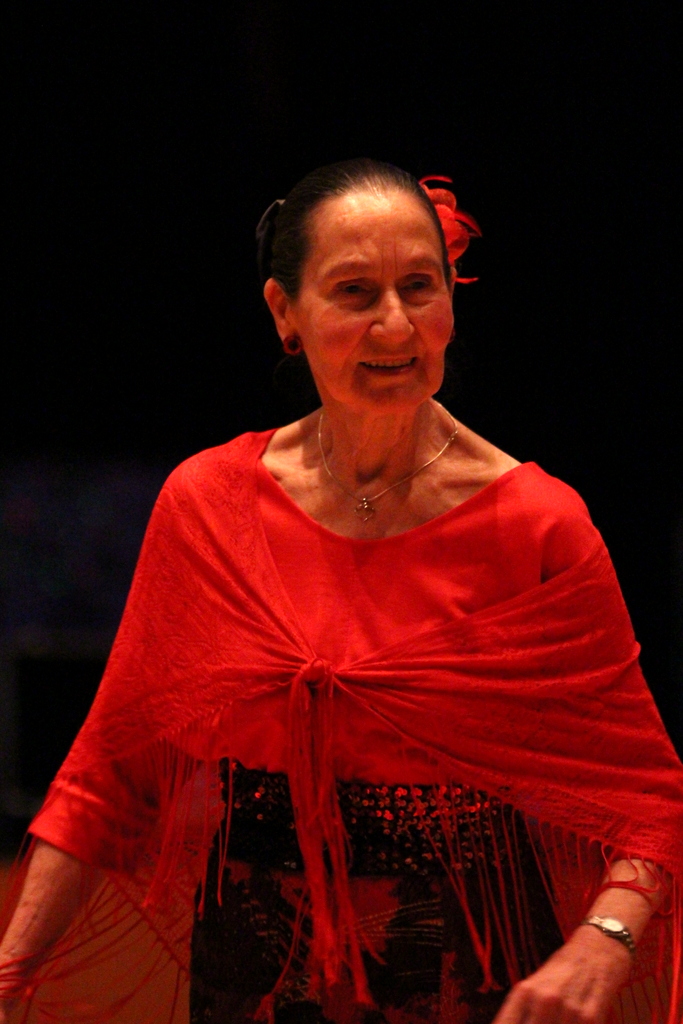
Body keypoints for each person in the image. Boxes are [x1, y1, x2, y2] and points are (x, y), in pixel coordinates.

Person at [1, 158, 682, 1024]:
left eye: (419, 286)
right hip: (252, 977)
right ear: (284, 312)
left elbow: (647, 800)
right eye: (355, 292)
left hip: (468, 978)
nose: (395, 323)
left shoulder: (538, 524)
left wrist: (603, 940)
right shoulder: (209, 504)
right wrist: (8, 976)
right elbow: (107, 781)